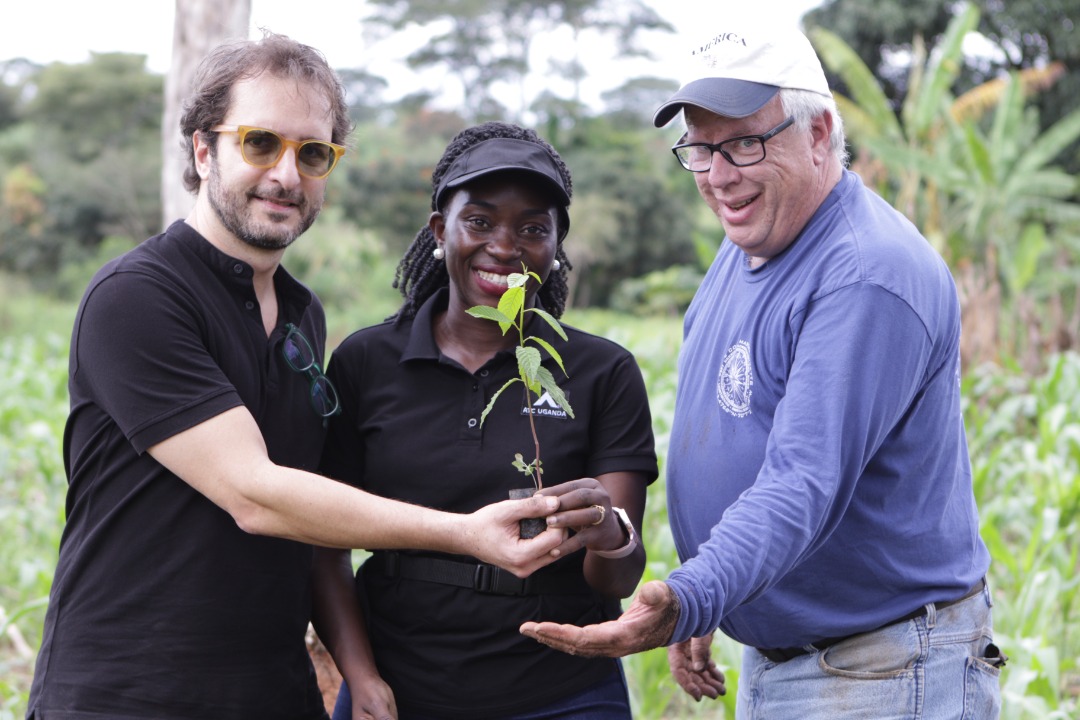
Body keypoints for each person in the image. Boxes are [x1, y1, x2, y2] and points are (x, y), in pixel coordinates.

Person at [28, 35, 571, 720]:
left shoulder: (300, 313)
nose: (287, 174)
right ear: (204, 150)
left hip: (269, 689)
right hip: (130, 693)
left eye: (312, 153)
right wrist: (463, 533)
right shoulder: (138, 297)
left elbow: (315, 520)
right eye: (260, 143)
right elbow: (255, 495)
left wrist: (355, 668)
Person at [521, 20, 1006, 719]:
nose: (719, 174)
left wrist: (696, 593)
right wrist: (718, 592)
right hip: (809, 663)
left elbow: (802, 479)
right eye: (701, 146)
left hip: (884, 671)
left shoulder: (863, 273)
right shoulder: (752, 240)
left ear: (818, 134)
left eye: (745, 142)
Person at [313, 121, 658, 720]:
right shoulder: (365, 363)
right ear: (441, 231)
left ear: (555, 247)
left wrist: (609, 528)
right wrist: (362, 680)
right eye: (480, 221)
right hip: (400, 689)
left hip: (561, 692)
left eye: (533, 228)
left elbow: (616, 579)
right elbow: (324, 544)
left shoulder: (601, 371)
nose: (506, 246)